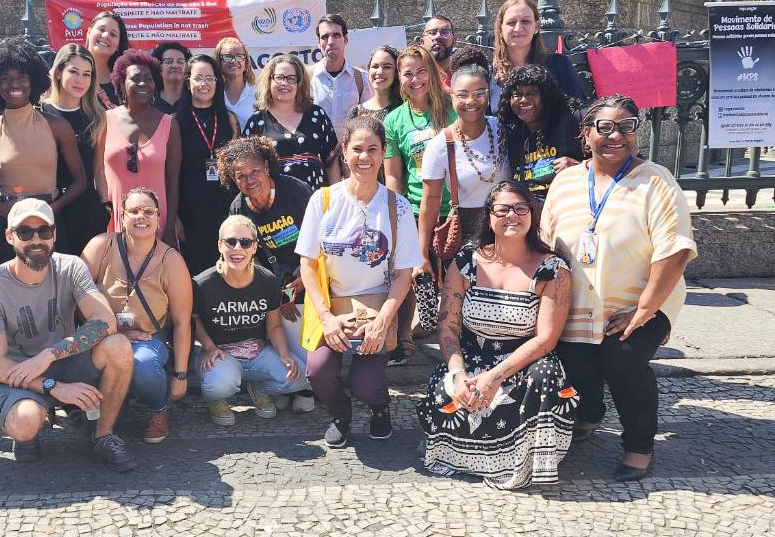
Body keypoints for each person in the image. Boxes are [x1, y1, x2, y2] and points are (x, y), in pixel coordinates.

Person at [541, 94, 697, 481]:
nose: (616, 135)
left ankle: (639, 446)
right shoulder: (565, 181)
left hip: (639, 302)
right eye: (605, 127)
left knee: (622, 359)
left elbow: (675, 250)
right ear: (585, 134)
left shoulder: (655, 180)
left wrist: (643, 310)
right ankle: (590, 414)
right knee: (574, 362)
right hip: (577, 304)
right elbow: (546, 244)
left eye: (627, 126)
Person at [416, 181, 576, 489]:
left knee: (544, 377)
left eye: (520, 208)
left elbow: (546, 339)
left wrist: (495, 377)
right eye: (502, 209)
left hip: (524, 361)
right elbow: (448, 327)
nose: (511, 215)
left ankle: (523, 460)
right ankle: (462, 455)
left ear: (532, 214)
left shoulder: (553, 270)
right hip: (472, 355)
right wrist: (459, 374)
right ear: (489, 216)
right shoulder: (466, 262)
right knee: (444, 387)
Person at [0, 198, 137, 470]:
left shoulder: (71, 267)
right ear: (9, 236)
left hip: (65, 362)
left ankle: (104, 435)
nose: (36, 239)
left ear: (54, 234)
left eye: (44, 231)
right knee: (25, 422)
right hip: (20, 375)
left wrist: (50, 354)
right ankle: (28, 433)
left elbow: (106, 322)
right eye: (25, 232)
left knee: (118, 346)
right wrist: (53, 387)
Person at [297, 116, 422, 447]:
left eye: (373, 149)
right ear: (343, 151)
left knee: (365, 384)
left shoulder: (397, 207)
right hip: (331, 304)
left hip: (378, 306)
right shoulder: (323, 200)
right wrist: (326, 318)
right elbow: (307, 265)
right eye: (357, 149)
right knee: (319, 373)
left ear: (382, 153)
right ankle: (341, 414)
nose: (364, 157)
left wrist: (383, 321)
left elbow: (403, 274)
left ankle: (379, 406)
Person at [82, 188, 193, 445]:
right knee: (97, 428)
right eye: (133, 211)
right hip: (101, 336)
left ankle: (158, 408)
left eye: (148, 211)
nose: (141, 217)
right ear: (121, 216)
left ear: (158, 217)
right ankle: (117, 402)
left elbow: (182, 322)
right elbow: (76, 297)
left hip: (148, 339)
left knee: (142, 364)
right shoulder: (101, 246)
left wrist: (180, 376)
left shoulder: (171, 260)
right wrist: (112, 330)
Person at [218, 135, 316, 413]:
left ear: (267, 167)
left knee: (299, 316)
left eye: (255, 171)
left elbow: (320, 240)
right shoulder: (238, 208)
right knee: (277, 316)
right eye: (241, 176)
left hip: (310, 267)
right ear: (232, 179)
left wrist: (299, 283)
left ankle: (306, 386)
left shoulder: (295, 191)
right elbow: (250, 257)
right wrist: (275, 293)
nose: (249, 180)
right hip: (275, 276)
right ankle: (289, 382)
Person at [0, 36, 87, 262]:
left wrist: (54, 208)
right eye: (5, 78)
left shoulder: (57, 126)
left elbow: (80, 181)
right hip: (9, 224)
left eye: (21, 77)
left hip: (48, 221)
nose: (14, 84)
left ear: (32, 81)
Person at [193, 215, 309, 426]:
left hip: (257, 352)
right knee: (219, 385)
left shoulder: (267, 280)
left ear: (255, 247)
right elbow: (194, 320)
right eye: (230, 242)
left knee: (300, 377)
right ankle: (217, 399)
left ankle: (258, 388)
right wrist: (209, 347)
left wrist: (284, 355)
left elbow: (274, 325)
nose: (238, 248)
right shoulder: (202, 284)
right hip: (219, 353)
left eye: (246, 242)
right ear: (220, 245)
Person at [382, 45, 454, 359]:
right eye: (408, 73)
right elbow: (393, 174)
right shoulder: (394, 120)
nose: (415, 79)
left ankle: (454, 332)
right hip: (414, 206)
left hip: (453, 207)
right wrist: (397, 214)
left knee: (454, 276)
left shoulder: (452, 107)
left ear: (432, 73)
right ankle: (407, 334)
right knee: (414, 273)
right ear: (399, 78)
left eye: (421, 71)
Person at [418, 62, 507, 274]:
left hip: (509, 228)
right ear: (452, 97)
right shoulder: (440, 145)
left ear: (488, 94)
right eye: (462, 95)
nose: (471, 101)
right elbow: (430, 201)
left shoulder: (503, 129)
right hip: (465, 237)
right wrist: (421, 255)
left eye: (479, 93)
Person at [101, 49, 182, 246]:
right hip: (115, 221)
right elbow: (97, 173)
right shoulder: (105, 120)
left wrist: (169, 228)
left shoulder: (169, 124)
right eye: (135, 78)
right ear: (122, 83)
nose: (143, 83)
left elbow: (173, 180)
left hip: (156, 223)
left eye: (148, 79)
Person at [41, 44, 111, 255]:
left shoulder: (97, 116)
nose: (80, 80)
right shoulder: (40, 112)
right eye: (74, 71)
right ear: (58, 72)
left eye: (86, 74)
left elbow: (98, 170)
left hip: (86, 208)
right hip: (50, 207)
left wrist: (105, 206)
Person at [174, 54, 239, 276]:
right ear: (188, 83)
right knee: (196, 274)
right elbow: (170, 174)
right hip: (189, 212)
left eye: (210, 78)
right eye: (198, 78)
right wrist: (175, 217)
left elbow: (236, 168)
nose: (204, 84)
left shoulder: (229, 119)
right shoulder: (175, 121)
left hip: (225, 208)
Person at [242, 54, 341, 192]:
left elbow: (332, 162)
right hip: (275, 201)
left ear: (299, 83)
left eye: (291, 78)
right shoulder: (256, 121)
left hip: (317, 198)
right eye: (279, 77)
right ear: (269, 81)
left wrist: (334, 196)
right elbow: (246, 167)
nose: (285, 83)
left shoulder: (317, 114)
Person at [498, 64, 584, 199]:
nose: (524, 100)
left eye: (532, 93)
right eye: (517, 94)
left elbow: (613, 159)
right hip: (531, 209)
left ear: (546, 96)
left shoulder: (573, 120)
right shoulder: (512, 134)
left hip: (572, 204)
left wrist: (581, 166)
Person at [490, 0, 585, 112]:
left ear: (537, 26)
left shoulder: (559, 65)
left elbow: (578, 111)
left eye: (525, 21)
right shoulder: (489, 73)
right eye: (511, 22)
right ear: (500, 28)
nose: (518, 28)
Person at [309, 13, 372, 132]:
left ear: (345, 39)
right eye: (325, 37)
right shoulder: (306, 78)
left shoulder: (362, 79)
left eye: (336, 35)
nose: (330, 41)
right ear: (318, 43)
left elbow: (367, 122)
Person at [345, 45, 402, 125]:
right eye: (375, 66)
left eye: (387, 67)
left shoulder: (405, 109)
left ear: (396, 72)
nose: (379, 72)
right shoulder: (356, 113)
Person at [86, 11, 131, 109]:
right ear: (89, 32)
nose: (106, 35)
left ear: (118, 45)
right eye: (101, 29)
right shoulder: (68, 68)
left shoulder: (125, 80)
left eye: (113, 34)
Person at [215, 37, 257, 129]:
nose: (234, 61)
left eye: (239, 56)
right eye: (227, 57)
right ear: (219, 62)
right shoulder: (212, 93)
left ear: (246, 62)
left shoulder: (258, 93)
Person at [151, 41, 191, 115]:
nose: (175, 65)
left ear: (187, 67)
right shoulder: (149, 100)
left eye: (180, 62)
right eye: (169, 62)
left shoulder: (194, 99)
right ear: (158, 67)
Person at [418, 15, 456, 91]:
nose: (438, 36)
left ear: (453, 40)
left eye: (445, 32)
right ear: (422, 42)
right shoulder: (413, 74)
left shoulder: (464, 73)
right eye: (432, 32)